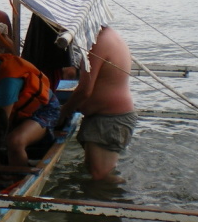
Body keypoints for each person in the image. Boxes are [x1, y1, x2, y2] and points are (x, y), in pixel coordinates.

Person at [54, 25, 137, 183]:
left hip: (110, 120)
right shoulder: (109, 35)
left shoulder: (96, 43)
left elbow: (85, 90)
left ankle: (119, 201)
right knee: (93, 171)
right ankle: (95, 200)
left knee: (101, 176)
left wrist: (64, 112)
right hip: (105, 117)